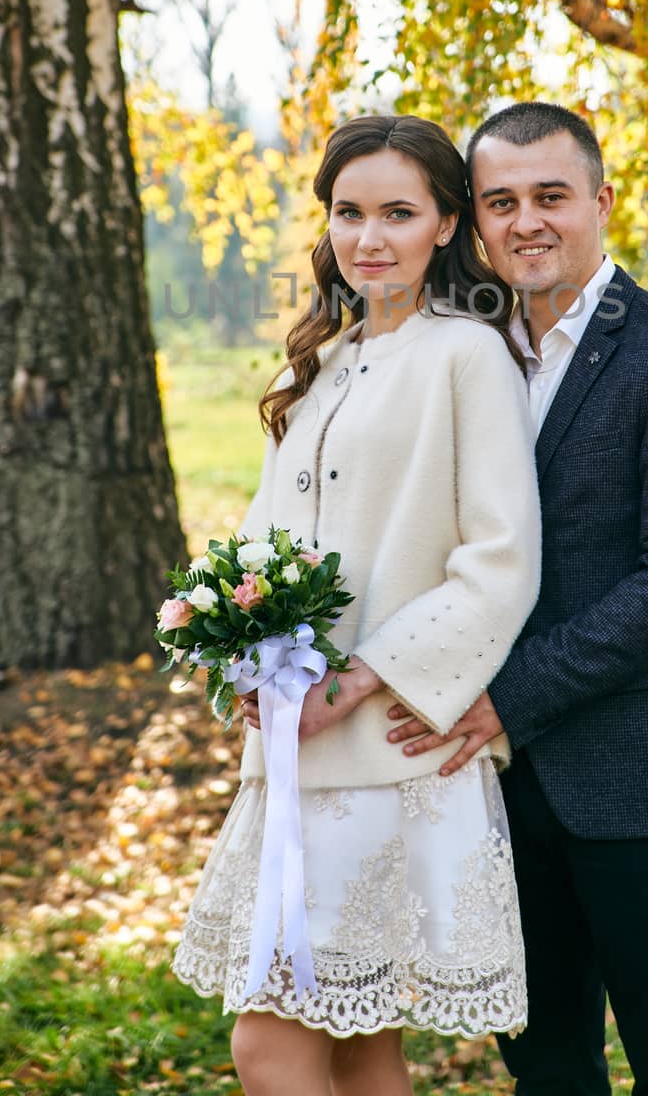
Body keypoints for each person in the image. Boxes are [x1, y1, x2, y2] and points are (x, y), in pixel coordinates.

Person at [388, 101, 648, 1095]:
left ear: (600, 200)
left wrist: (512, 694)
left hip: (642, 775)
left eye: (550, 195)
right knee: (546, 1065)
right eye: (500, 201)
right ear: (476, 221)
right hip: (496, 791)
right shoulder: (464, 354)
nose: (526, 221)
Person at [173, 114, 542, 1096]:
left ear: (445, 225)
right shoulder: (317, 366)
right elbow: (260, 553)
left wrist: (361, 675)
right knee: (361, 1043)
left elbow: (499, 559)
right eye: (348, 212)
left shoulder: (468, 356)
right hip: (295, 753)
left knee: (269, 1042)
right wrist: (238, 657)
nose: (368, 237)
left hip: (386, 750)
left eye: (398, 213)